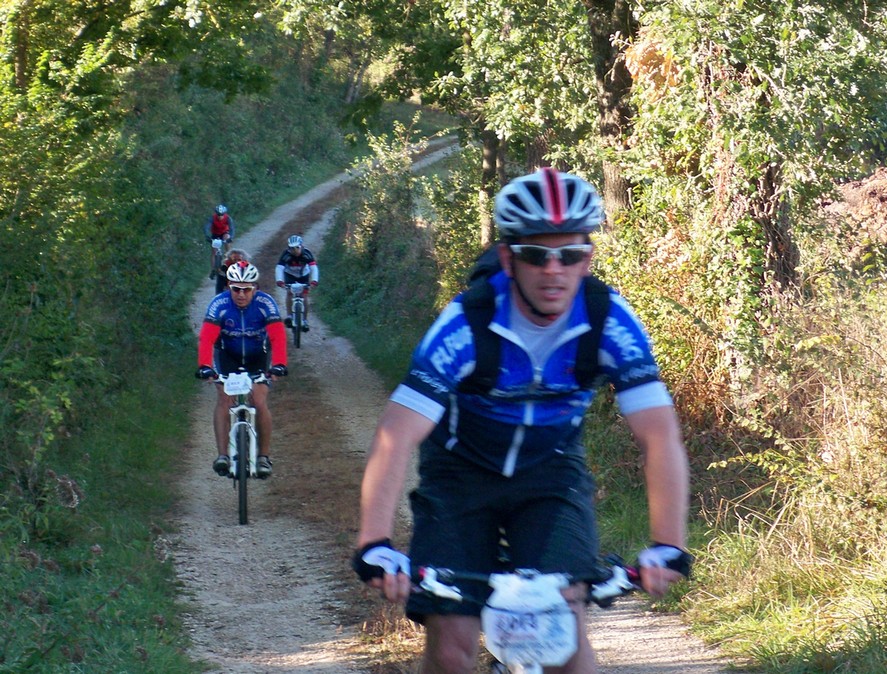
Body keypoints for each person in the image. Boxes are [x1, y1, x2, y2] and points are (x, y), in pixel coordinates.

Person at [352, 168, 693, 674]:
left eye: (571, 254)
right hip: (460, 476)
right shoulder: (466, 324)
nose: (553, 270)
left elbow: (658, 435)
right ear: (509, 258)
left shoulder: (609, 321)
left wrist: (668, 544)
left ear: (588, 258)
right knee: (452, 645)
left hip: (550, 476)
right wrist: (376, 545)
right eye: (536, 254)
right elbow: (396, 436)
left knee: (567, 646)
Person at [195, 261, 288, 478]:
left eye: (247, 289)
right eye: (236, 288)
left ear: (255, 287)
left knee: (259, 400)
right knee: (224, 399)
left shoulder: (266, 303)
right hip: (227, 355)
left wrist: (279, 364)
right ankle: (222, 455)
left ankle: (264, 456)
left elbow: (277, 336)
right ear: (228, 286)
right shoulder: (219, 304)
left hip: (257, 357)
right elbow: (207, 338)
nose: (241, 294)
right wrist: (205, 366)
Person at [274, 234, 319, 331]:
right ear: (288, 248)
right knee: (289, 293)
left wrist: (314, 281)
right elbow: (279, 268)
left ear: (301, 246)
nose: (295, 251)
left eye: (297, 248)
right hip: (290, 275)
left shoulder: (307, 253)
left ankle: (305, 321)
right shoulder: (286, 254)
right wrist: (280, 281)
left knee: (305, 296)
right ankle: (289, 316)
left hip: (304, 275)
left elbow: (313, 268)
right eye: (292, 248)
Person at [206, 204, 235, 280]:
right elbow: (206, 227)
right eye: (218, 214)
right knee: (214, 252)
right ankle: (213, 270)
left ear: (224, 214)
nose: (220, 216)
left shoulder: (228, 218)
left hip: (224, 233)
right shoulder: (212, 218)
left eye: (221, 214)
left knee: (227, 239)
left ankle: (228, 257)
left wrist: (231, 238)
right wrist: (207, 236)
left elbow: (232, 229)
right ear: (216, 213)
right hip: (215, 234)